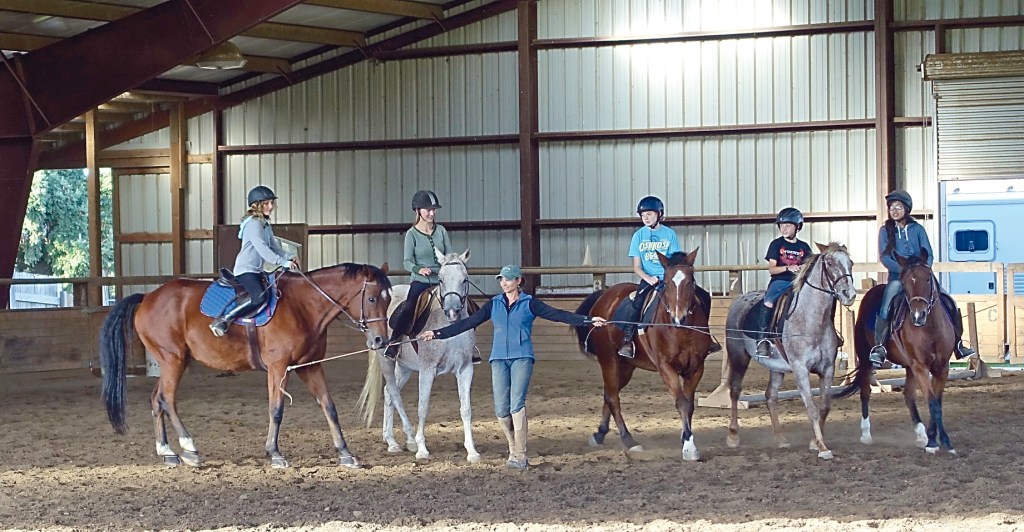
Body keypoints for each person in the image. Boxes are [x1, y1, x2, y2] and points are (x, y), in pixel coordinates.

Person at [418, 264, 607, 469]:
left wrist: (588, 320)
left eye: (508, 279)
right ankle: (512, 447)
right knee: (501, 410)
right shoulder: (494, 304)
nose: (504, 283)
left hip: (522, 357)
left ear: (518, 281)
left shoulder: (530, 303)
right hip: (498, 359)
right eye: (501, 279)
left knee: (516, 405)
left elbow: (558, 315)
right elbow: (467, 323)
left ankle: (520, 454)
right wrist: (437, 334)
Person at [868, 190, 976, 368]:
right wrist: (903, 271)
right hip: (898, 277)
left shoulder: (917, 229)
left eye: (898, 207)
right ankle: (880, 347)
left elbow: (929, 253)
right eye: (892, 207)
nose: (894, 211)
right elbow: (884, 257)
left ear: (906, 209)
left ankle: (958, 343)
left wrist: (924, 270)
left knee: (949, 301)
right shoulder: (885, 231)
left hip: (921, 276)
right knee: (886, 305)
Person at [617, 195, 720, 358]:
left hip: (669, 278)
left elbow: (675, 261)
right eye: (643, 215)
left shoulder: (669, 234)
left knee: (703, 296)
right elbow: (636, 266)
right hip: (649, 279)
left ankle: (706, 335)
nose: (646, 218)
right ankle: (628, 339)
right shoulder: (638, 236)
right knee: (637, 302)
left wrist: (671, 276)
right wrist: (648, 278)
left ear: (659, 214)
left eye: (649, 214)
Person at [383, 189, 479, 362]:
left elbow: (449, 255)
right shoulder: (412, 234)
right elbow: (407, 262)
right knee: (409, 308)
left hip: (441, 281)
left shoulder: (441, 230)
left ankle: (469, 347)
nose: (432, 213)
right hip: (421, 281)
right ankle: (394, 343)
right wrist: (418, 269)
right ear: (418, 210)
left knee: (471, 307)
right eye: (428, 210)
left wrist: (454, 264)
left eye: (434, 210)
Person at [209, 185, 299, 337]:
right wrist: (283, 263)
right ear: (256, 205)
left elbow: (274, 247)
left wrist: (289, 256)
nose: (270, 206)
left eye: (271, 203)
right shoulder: (253, 224)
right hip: (245, 270)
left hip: (256, 270)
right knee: (259, 297)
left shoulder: (265, 225)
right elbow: (263, 249)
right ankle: (224, 320)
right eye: (266, 203)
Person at [747, 207, 813, 359]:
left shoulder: (804, 247)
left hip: (798, 282)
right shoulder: (776, 244)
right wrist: (788, 267)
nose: (784, 229)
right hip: (780, 281)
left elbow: (809, 266)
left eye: (788, 225)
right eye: (782, 226)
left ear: (797, 227)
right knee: (769, 301)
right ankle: (762, 340)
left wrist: (803, 268)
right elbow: (772, 269)